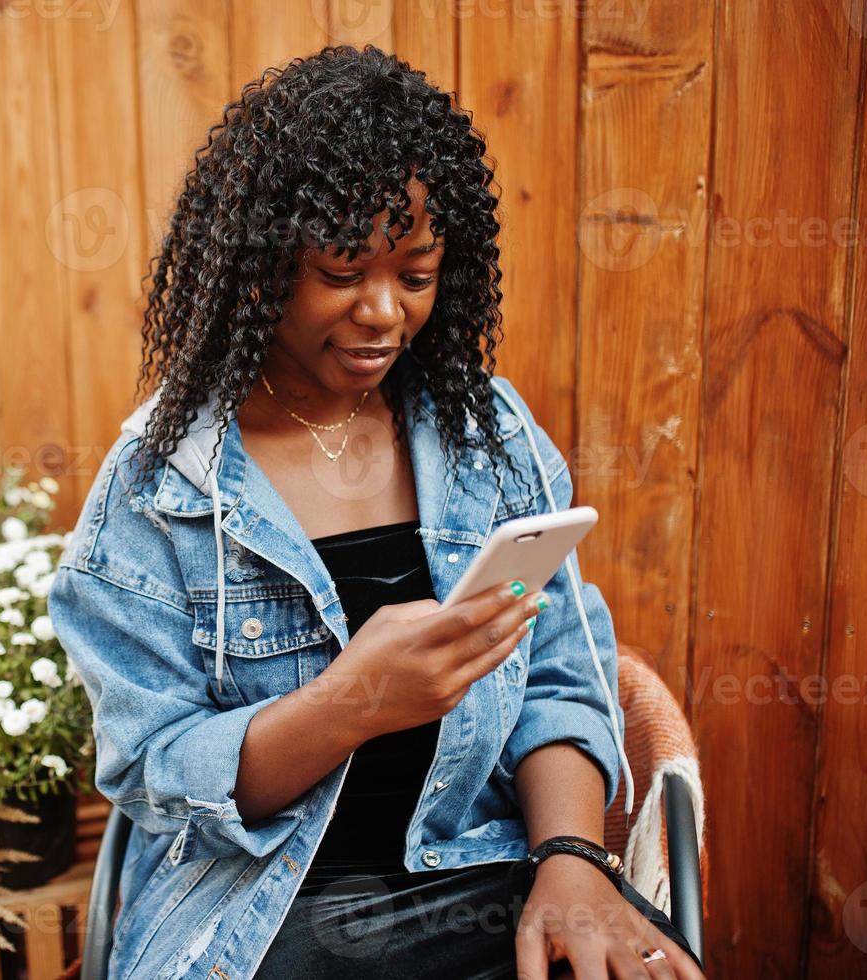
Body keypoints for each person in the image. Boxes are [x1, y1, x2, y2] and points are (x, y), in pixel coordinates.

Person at [46, 45, 705, 980]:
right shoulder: (159, 489)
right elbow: (157, 772)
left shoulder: (490, 437)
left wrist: (571, 860)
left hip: (480, 876)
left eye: (417, 273)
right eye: (343, 270)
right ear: (260, 267)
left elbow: (560, 682)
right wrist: (355, 701)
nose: (384, 313)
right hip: (261, 911)